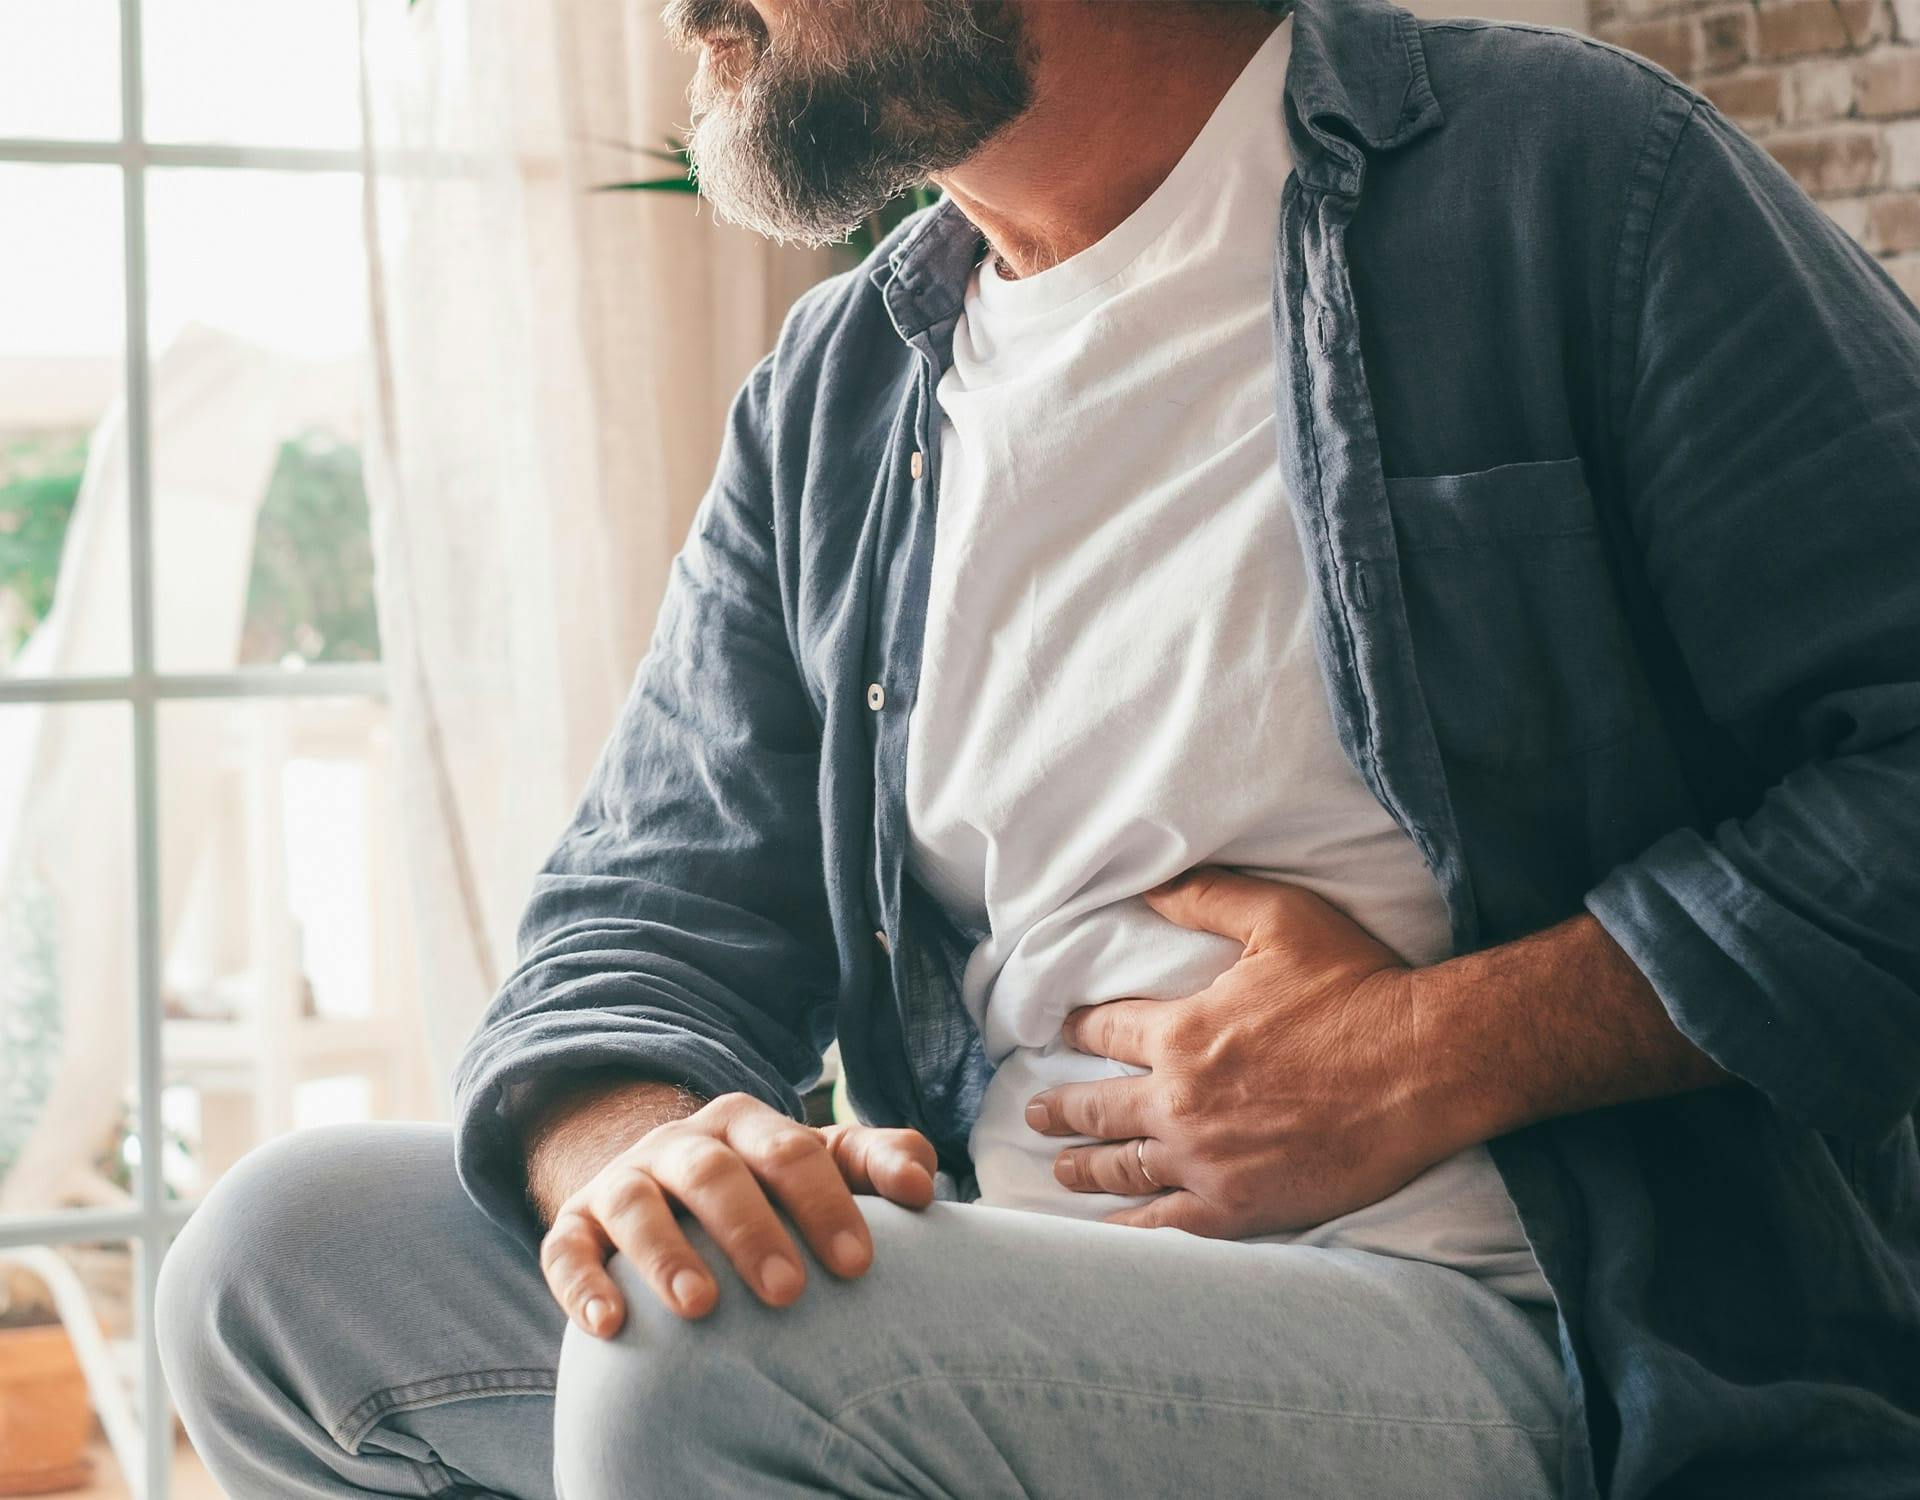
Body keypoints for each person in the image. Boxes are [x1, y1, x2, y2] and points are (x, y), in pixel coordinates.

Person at [157, 0, 1920, 1496]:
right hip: (993, 1294)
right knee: (280, 1258)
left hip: (1534, 1329)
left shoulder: (1572, 184)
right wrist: (642, 1148)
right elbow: (639, 910)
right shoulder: (839, 398)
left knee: (722, 1365)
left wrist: (1431, 1052)